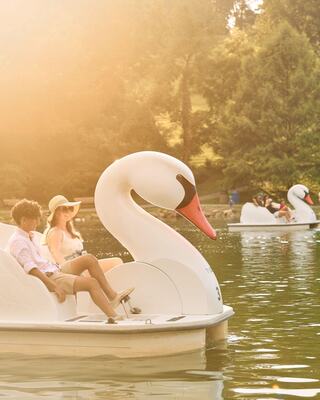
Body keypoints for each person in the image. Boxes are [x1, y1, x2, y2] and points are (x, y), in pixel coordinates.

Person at [8, 199, 132, 321]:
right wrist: (55, 287)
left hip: (54, 269)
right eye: (35, 218)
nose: (38, 221)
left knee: (89, 259)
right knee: (91, 283)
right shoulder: (18, 241)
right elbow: (32, 269)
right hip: (49, 277)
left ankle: (112, 296)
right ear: (24, 219)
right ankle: (114, 317)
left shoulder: (30, 235)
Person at [43, 195, 122, 274]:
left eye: (70, 208)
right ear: (56, 213)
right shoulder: (55, 232)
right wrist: (67, 272)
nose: (67, 212)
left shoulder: (70, 231)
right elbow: (55, 253)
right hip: (75, 271)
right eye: (64, 209)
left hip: (85, 266)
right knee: (115, 263)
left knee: (117, 262)